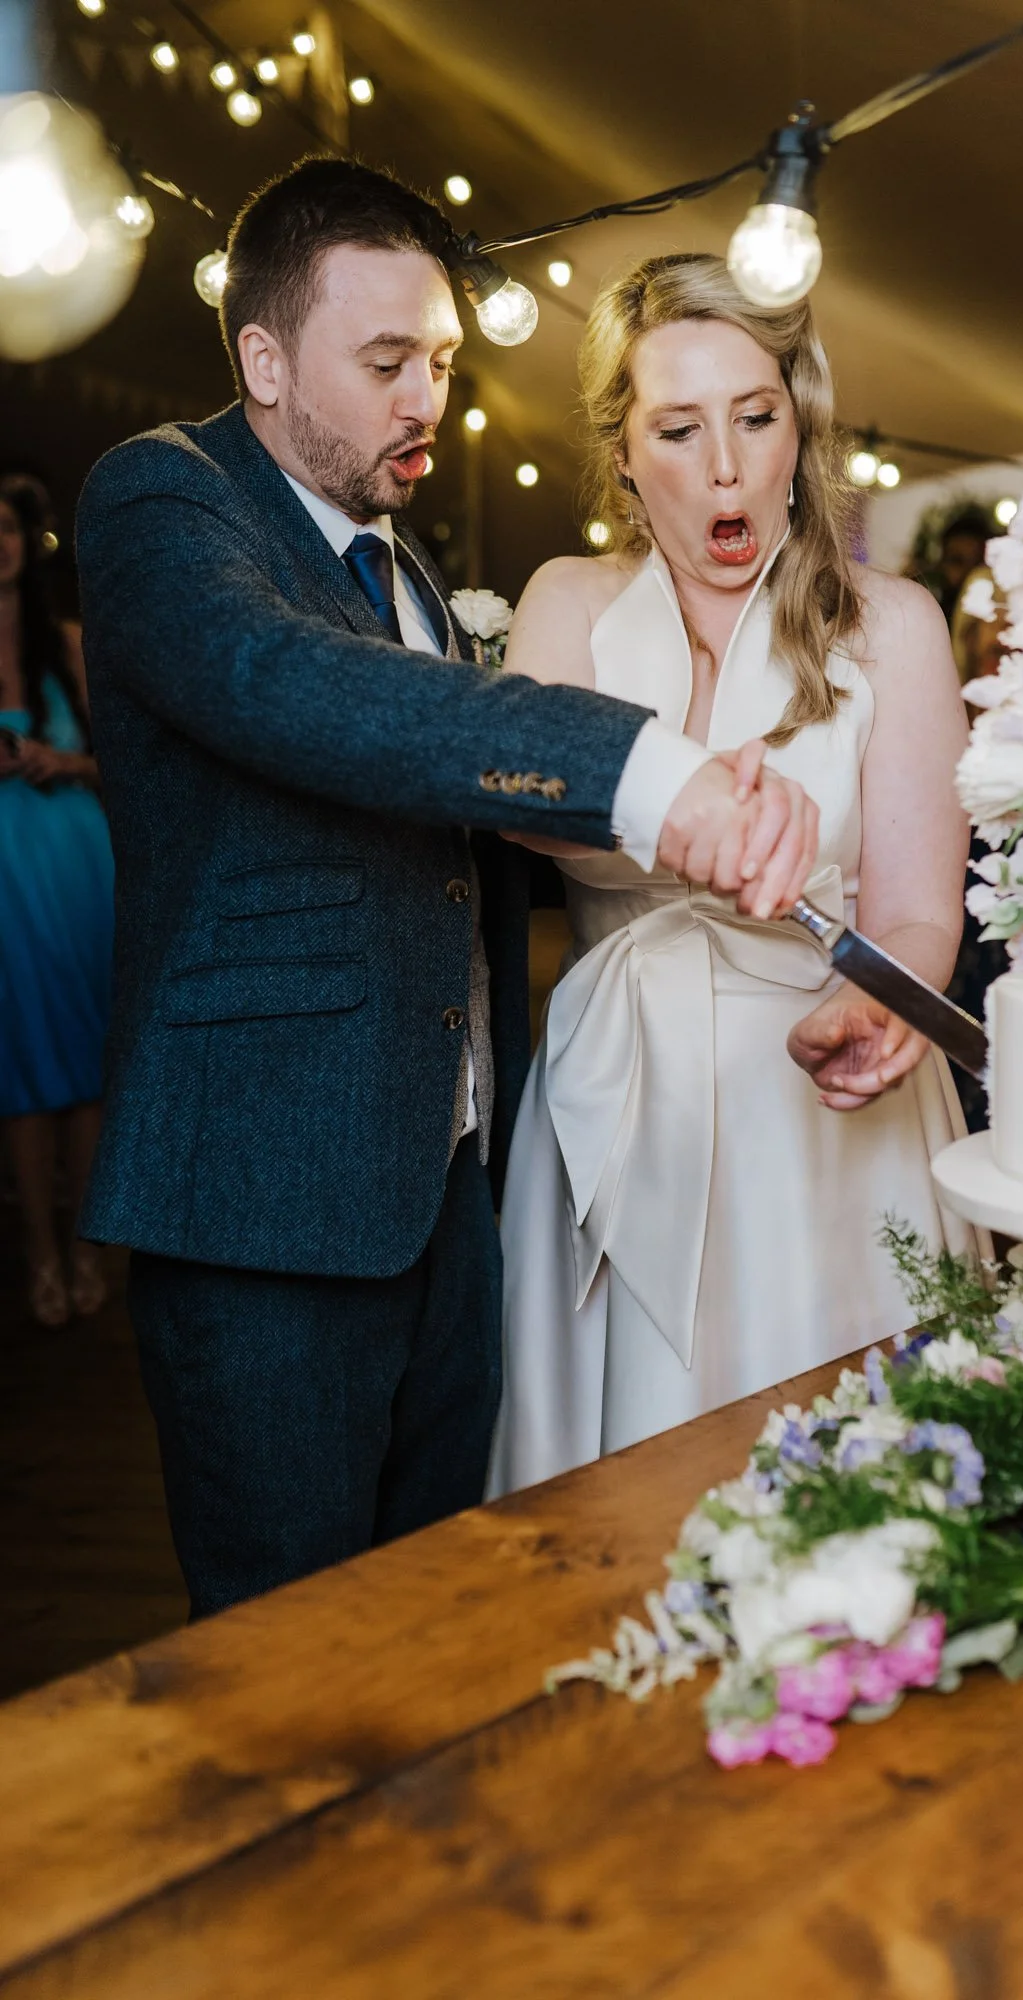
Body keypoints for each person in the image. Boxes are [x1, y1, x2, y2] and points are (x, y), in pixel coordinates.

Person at [74, 162, 819, 1619]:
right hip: (266, 1206)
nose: (429, 398)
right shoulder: (166, 498)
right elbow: (290, 689)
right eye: (387, 363)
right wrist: (655, 777)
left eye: (443, 363)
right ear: (265, 360)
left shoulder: (405, 562)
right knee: (285, 1647)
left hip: (451, 1196)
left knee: (430, 1618)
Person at [488, 254, 977, 1494]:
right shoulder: (571, 601)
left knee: (861, 1487)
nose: (725, 466)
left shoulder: (895, 624)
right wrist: (675, 810)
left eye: (755, 419)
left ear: (795, 426)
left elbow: (920, 910)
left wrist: (881, 1004)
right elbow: (525, 807)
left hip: (824, 1110)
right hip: (624, 1098)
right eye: (679, 427)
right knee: (625, 1496)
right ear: (622, 453)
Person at [0, 476, 114, 1326]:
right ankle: (39, 1253)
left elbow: (128, 762)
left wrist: (61, 761)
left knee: (83, 1063)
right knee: (21, 1067)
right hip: (6, 876)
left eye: (6, 528)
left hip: (77, 866)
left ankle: (84, 1247)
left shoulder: (70, 644)